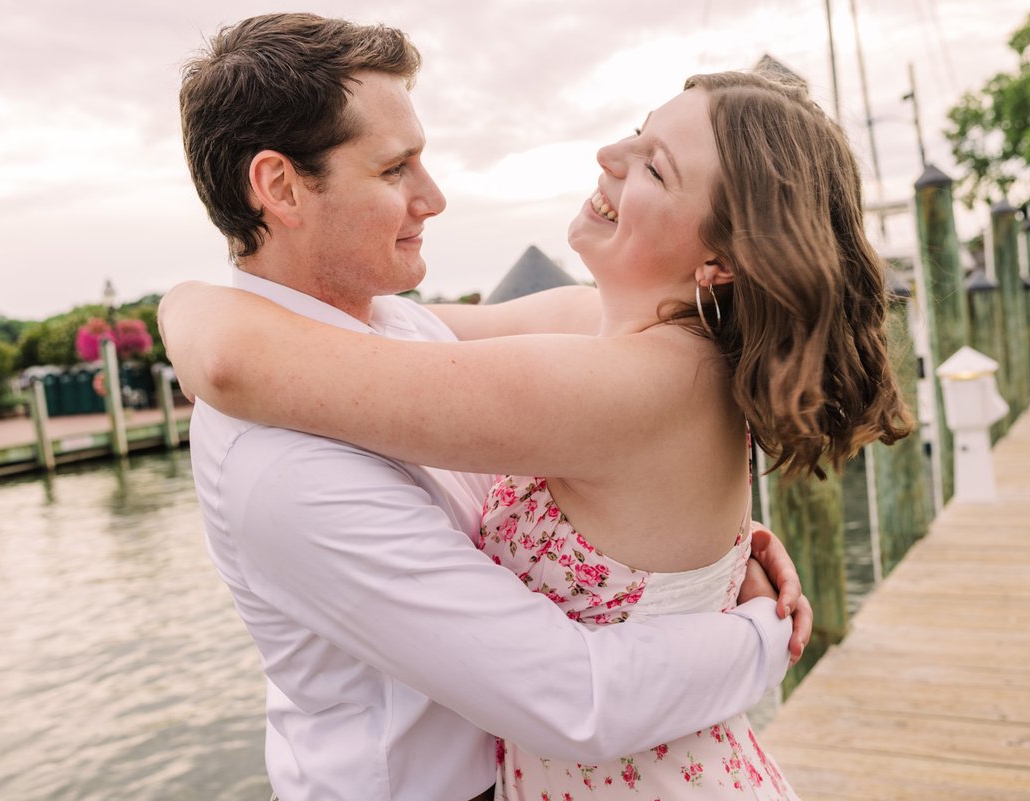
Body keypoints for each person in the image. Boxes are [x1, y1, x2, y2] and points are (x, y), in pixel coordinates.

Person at [171, 13, 814, 801]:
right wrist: (759, 630)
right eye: (395, 169)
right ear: (278, 186)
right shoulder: (283, 467)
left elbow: (613, 434)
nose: (432, 198)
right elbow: (574, 700)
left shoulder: (399, 325)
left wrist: (698, 563)